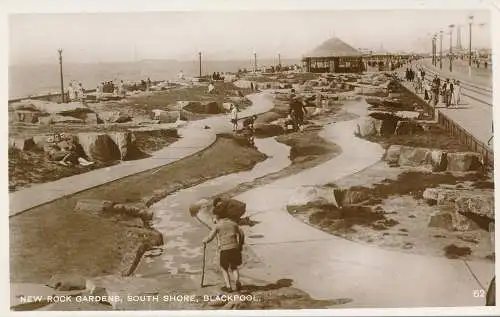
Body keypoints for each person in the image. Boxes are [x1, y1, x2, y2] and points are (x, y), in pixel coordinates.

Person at [202, 200, 245, 292]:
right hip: (234, 248)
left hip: (224, 249)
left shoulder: (217, 226)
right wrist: (240, 245)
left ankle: (228, 286)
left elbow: (210, 237)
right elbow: (241, 234)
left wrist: (204, 241)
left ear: (218, 216)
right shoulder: (234, 224)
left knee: (224, 268)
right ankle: (237, 282)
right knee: (234, 267)